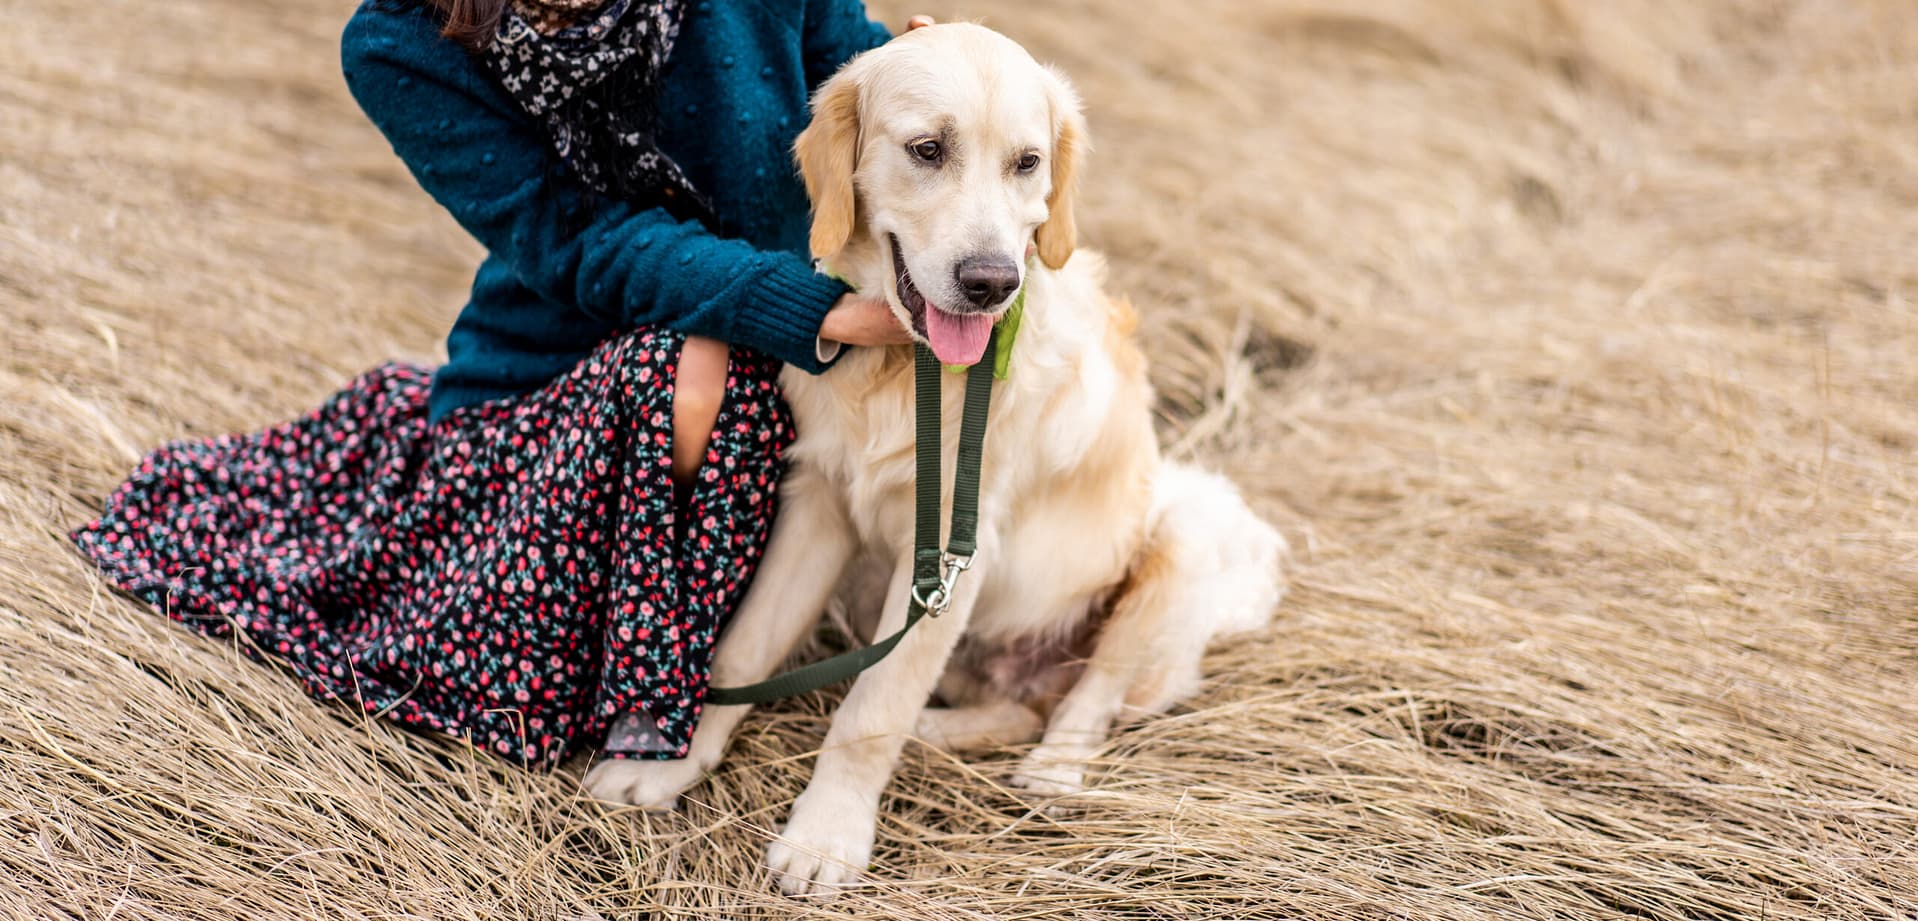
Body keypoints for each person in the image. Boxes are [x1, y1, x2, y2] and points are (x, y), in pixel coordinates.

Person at [70, 0, 929, 769]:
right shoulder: (400, 42)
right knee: (694, 379)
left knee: (729, 383)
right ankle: (643, 662)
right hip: (567, 367)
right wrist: (810, 310)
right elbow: (576, 240)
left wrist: (921, 83)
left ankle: (692, 618)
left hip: (782, 335)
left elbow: (846, 71)